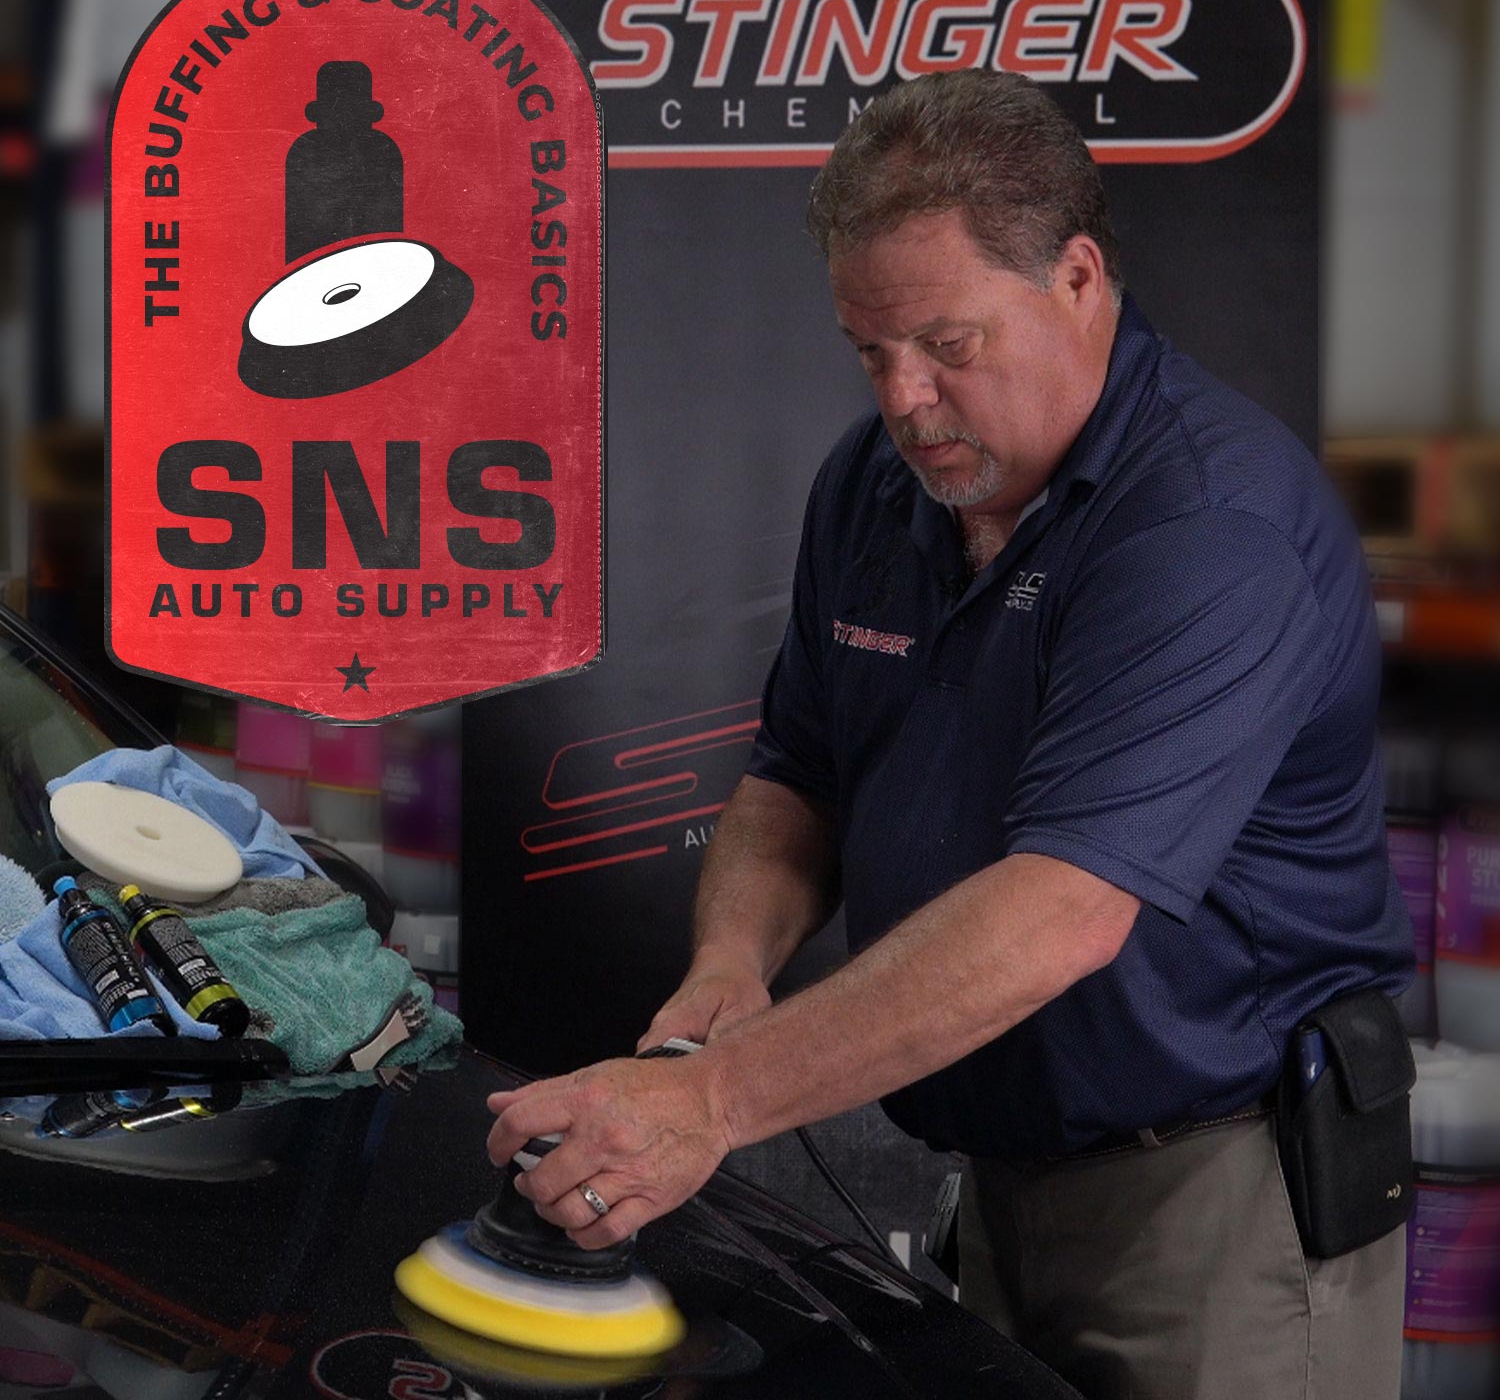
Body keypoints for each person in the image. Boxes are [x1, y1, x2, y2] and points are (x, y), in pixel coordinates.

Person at [485, 69, 1415, 1400]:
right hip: (1000, 1177)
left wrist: (717, 1102)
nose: (907, 398)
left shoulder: (1210, 531)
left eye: (948, 344)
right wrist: (731, 967)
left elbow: (1063, 913)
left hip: (1220, 1196)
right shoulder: (878, 484)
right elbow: (794, 774)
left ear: (1079, 278)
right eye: (871, 350)